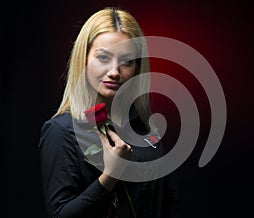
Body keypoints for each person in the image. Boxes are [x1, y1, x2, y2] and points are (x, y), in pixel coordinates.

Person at [38, 7, 181, 218]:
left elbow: (166, 202)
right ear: (84, 59)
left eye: (127, 62)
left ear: (137, 67)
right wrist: (110, 176)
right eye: (103, 58)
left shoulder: (144, 127)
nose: (115, 72)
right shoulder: (62, 131)